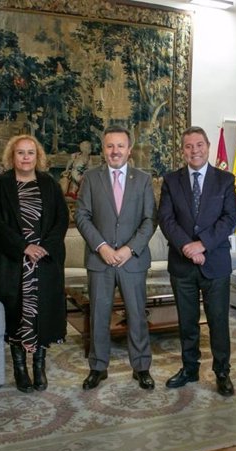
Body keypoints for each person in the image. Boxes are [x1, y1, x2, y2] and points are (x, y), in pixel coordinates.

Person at [158, 126, 236, 396]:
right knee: (187, 322)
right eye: (189, 146)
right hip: (182, 264)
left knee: (218, 321)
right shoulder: (170, 180)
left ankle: (222, 372)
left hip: (215, 263)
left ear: (208, 146)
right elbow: (166, 220)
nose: (194, 150)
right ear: (183, 150)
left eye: (199, 145)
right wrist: (188, 248)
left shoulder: (225, 180)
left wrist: (202, 244)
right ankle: (189, 368)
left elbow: (229, 219)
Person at [75, 125, 156, 390]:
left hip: (132, 260)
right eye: (110, 146)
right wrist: (102, 247)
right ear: (103, 149)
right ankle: (98, 367)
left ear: (129, 150)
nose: (115, 151)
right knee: (99, 314)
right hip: (101, 260)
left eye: (120, 146)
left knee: (136, 315)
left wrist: (129, 249)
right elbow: (82, 216)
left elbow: (149, 220)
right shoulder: (90, 178)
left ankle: (141, 367)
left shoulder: (143, 179)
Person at [0, 134, 69, 393]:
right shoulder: (0, 186)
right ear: (12, 156)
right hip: (13, 264)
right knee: (17, 315)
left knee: (41, 315)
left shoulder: (50, 184)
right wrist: (24, 247)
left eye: (30, 153)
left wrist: (44, 248)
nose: (25, 157)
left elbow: (61, 220)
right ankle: (21, 370)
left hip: (44, 263)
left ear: (38, 156)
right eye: (20, 153)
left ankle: (39, 367)